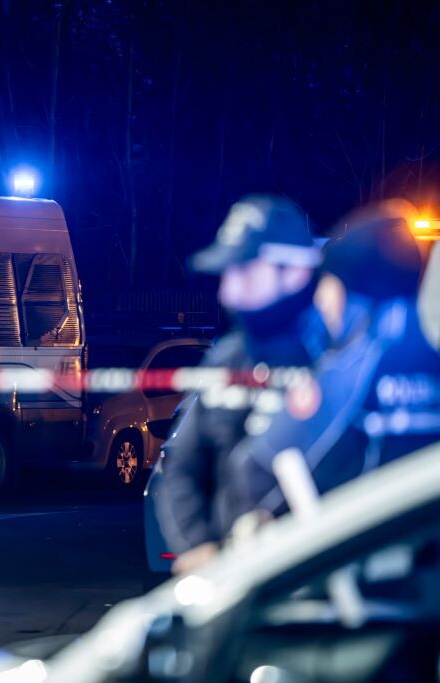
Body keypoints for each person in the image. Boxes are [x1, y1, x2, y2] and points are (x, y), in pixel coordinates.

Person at [226, 200, 440, 522]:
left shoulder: (355, 368)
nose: (322, 302)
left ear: (359, 296)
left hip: (353, 554)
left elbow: (254, 466)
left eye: (331, 287)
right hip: (423, 547)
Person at [154, 195, 327, 574]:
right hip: (234, 584)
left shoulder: (335, 359)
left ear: (295, 273)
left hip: (320, 586)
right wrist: (195, 544)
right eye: (226, 275)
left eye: (245, 273)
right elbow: (180, 463)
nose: (227, 294)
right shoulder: (226, 358)